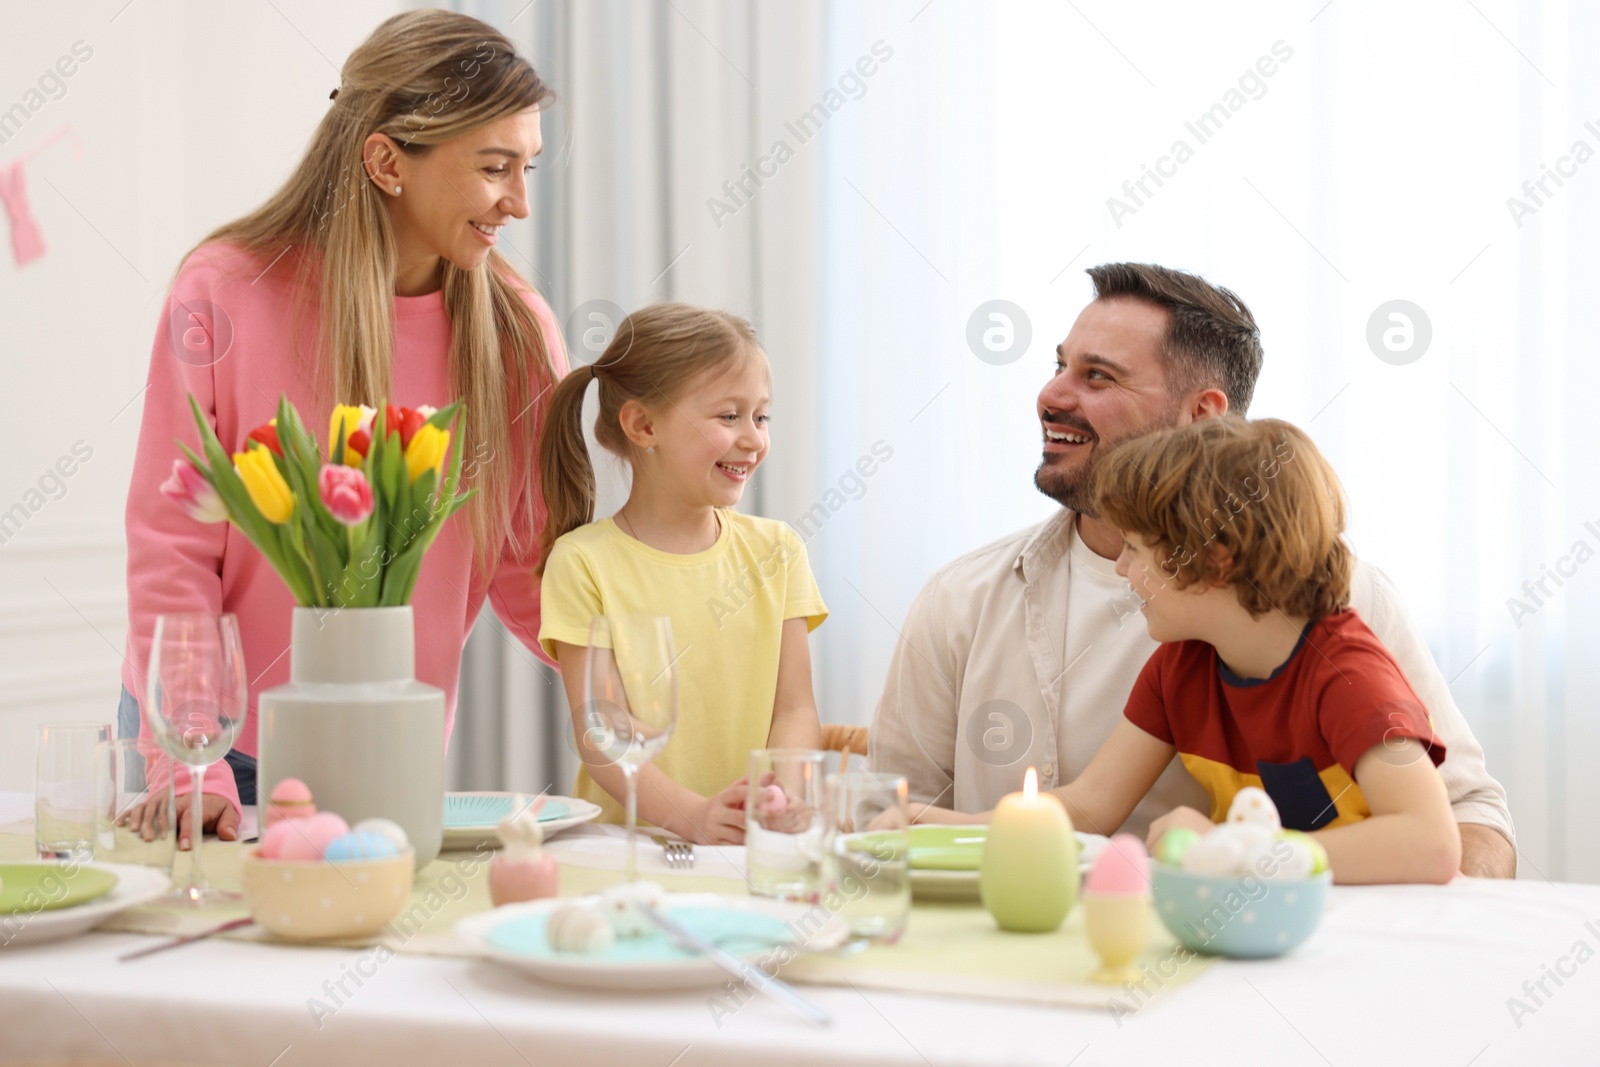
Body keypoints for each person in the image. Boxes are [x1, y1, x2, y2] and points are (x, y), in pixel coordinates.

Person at [870, 262, 1517, 878]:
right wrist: (919, 830)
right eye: (1059, 365)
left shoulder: (1345, 627)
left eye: (1098, 376)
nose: (1050, 394)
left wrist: (1250, 854)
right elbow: (1085, 807)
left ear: (1203, 416)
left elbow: (1459, 832)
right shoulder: (1161, 657)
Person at [119, 11, 566, 848]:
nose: (521, 203)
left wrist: (655, 674)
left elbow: (530, 564)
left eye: (528, 166)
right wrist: (188, 762)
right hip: (217, 749)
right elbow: (172, 547)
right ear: (388, 160)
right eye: (496, 168)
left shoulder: (515, 331)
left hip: (385, 743)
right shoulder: (224, 292)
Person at [1034, 416, 1458, 884]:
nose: (1120, 568)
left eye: (1134, 548)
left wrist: (1234, 851)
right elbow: (1088, 807)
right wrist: (939, 824)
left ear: (1215, 563)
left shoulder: (1348, 675)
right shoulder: (1179, 668)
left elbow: (1432, 845)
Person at [537, 303, 828, 845]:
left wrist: (782, 799)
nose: (754, 439)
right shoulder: (582, 563)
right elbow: (602, 735)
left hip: (745, 843)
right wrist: (693, 815)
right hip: (630, 849)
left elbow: (794, 709)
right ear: (645, 425)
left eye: (761, 417)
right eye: (728, 416)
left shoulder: (778, 550)